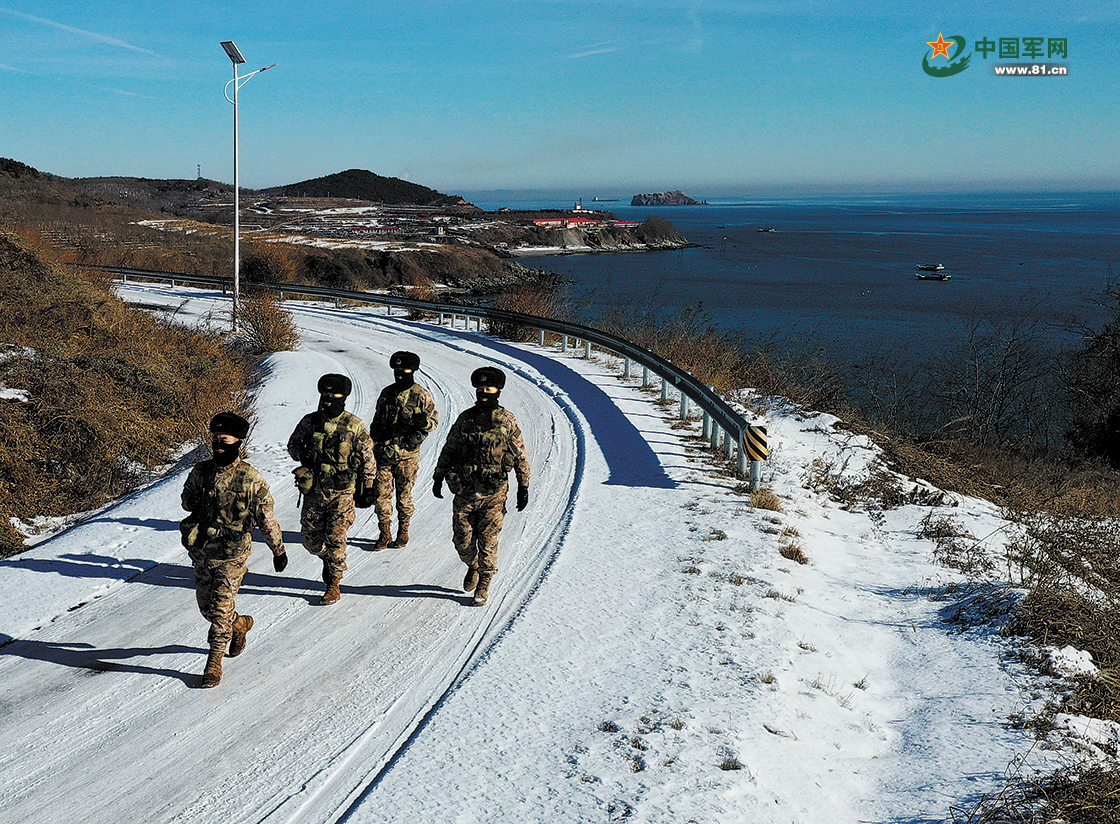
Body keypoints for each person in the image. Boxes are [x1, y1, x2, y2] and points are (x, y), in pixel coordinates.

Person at [180, 412, 287, 688]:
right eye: (215, 438)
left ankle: (213, 664)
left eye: (224, 439)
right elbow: (186, 501)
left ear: (238, 441)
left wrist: (278, 549)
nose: (218, 444)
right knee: (207, 608)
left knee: (218, 613)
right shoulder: (201, 472)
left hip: (233, 555)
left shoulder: (251, 478)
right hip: (203, 552)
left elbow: (267, 517)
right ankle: (240, 624)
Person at [432, 366, 530, 606]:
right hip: (465, 491)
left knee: (488, 541)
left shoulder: (507, 420)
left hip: (493, 493)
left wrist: (523, 485)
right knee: (462, 542)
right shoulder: (466, 418)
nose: (483, 393)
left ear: (498, 391)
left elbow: (519, 454)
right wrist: (438, 476)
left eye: (489, 388)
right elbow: (450, 448)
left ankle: (484, 583)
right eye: (480, 389)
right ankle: (473, 566)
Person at [286, 373, 377, 605]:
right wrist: (302, 454)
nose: (328, 402)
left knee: (337, 538)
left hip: (342, 492)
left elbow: (368, 458)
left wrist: (368, 487)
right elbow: (293, 444)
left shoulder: (354, 425)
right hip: (314, 491)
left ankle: (334, 584)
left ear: (343, 399)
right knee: (310, 540)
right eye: (325, 397)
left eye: (334, 398)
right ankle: (328, 559)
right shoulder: (310, 421)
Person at [368, 351, 439, 548]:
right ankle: (384, 533)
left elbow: (434, 421)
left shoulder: (421, 395)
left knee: (404, 497)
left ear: (413, 371)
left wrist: (422, 424)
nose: (400, 375)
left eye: (404, 371)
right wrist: (375, 439)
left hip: (407, 456)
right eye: (397, 371)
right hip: (383, 454)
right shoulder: (386, 393)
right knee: (381, 496)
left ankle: (403, 531)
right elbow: (376, 421)